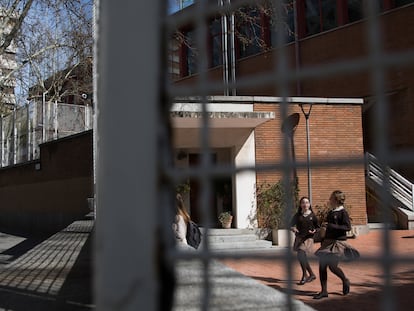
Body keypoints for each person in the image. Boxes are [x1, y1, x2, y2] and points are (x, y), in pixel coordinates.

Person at [313, 190, 357, 299]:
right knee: (322, 266)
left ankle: (345, 280)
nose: (329, 200)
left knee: (332, 267)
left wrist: (331, 226)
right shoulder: (331, 212)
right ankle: (324, 291)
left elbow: (347, 227)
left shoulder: (343, 213)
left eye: (331, 198)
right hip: (327, 242)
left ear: (336, 200)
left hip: (337, 243)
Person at [290, 196, 318, 285]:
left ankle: (304, 275)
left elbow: (318, 227)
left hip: (308, 238)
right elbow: (290, 225)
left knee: (301, 253)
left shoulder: (313, 216)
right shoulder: (298, 215)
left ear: (309, 204)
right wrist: (293, 228)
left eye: (307, 202)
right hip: (299, 238)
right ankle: (312, 274)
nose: (305, 204)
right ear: (300, 204)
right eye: (303, 202)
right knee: (302, 257)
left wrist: (314, 231)